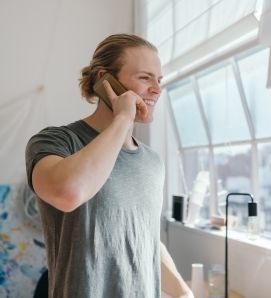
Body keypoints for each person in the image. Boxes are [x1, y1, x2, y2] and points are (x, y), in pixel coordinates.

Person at [25, 34, 193, 298]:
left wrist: (184, 293)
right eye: (145, 78)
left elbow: (146, 239)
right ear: (105, 80)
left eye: (158, 80)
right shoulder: (55, 141)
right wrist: (124, 117)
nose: (157, 90)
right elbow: (67, 193)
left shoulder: (152, 162)